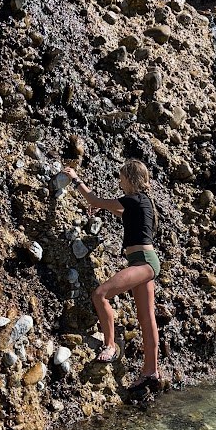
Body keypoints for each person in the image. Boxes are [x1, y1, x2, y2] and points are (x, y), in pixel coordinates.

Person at [65, 158, 163, 397]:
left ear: (129, 179)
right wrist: (104, 207)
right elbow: (122, 214)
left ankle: (110, 345)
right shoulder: (142, 202)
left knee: (100, 294)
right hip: (145, 262)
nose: (119, 182)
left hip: (143, 262)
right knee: (146, 316)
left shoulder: (133, 199)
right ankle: (151, 372)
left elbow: (93, 200)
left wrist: (75, 179)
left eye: (121, 178)